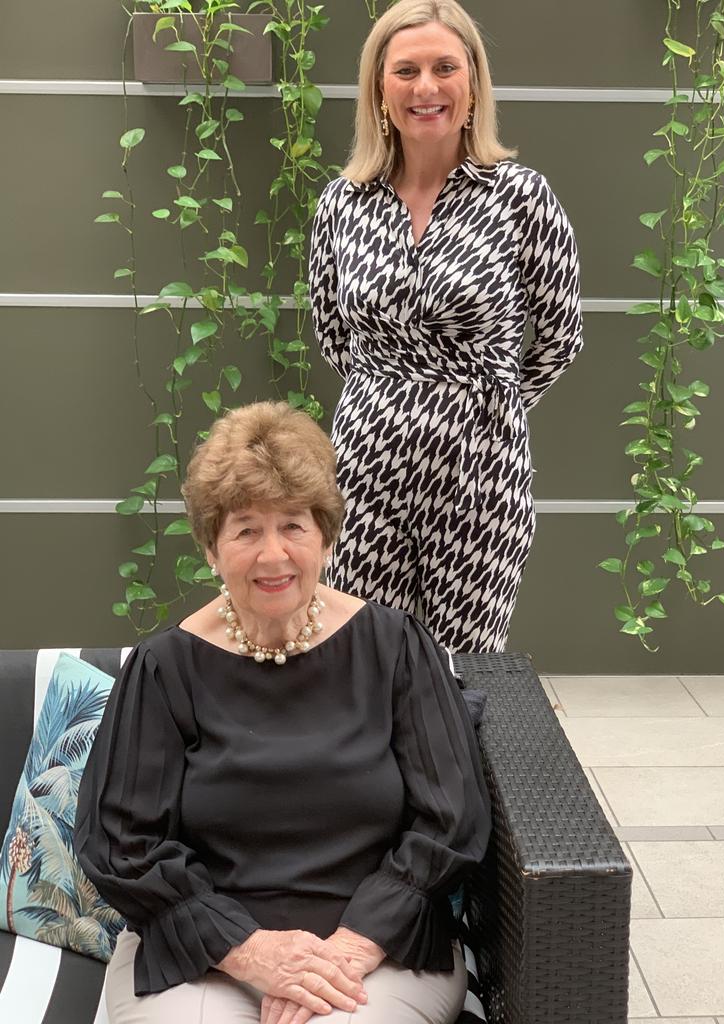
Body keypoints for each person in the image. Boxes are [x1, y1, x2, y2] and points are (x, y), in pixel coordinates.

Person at [74, 401, 490, 1024]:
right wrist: (248, 951)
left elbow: (451, 819)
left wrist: (349, 948)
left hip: (377, 949)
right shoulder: (165, 668)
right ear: (211, 548)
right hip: (204, 953)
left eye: (293, 525)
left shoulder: (394, 647)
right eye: (246, 530)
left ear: (325, 534)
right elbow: (122, 843)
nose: (274, 556)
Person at [309, 0, 584, 654]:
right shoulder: (342, 203)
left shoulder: (520, 197)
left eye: (444, 68)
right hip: (365, 470)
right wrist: (395, 397)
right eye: (405, 70)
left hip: (480, 478)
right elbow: (331, 330)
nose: (425, 87)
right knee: (361, 660)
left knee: (460, 677)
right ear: (379, 86)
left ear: (473, 84)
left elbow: (560, 335)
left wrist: (485, 405)